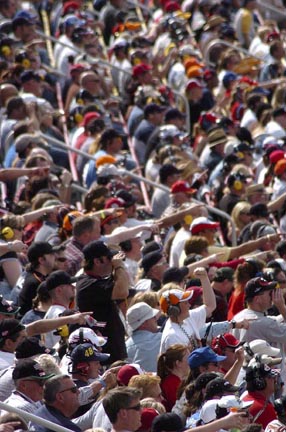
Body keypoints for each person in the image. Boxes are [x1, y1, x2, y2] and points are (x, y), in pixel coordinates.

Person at [76, 240, 129, 362]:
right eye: (109, 258)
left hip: (111, 351)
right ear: (97, 261)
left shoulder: (96, 281)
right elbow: (122, 291)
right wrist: (119, 266)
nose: (112, 262)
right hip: (103, 355)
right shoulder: (88, 284)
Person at [159, 267, 216, 353]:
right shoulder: (172, 337)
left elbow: (210, 305)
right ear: (174, 309)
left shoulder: (188, 317)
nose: (189, 305)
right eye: (185, 303)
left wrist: (204, 278)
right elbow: (181, 365)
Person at [126, 302, 161, 372]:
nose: (156, 319)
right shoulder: (160, 339)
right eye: (153, 317)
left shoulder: (125, 346)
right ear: (143, 323)